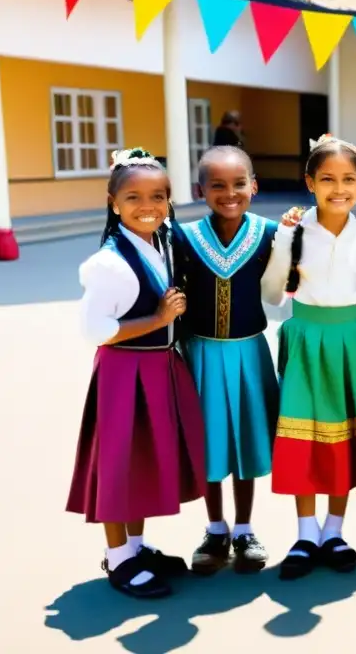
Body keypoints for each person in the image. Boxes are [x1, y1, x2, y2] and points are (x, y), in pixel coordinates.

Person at [67, 148, 206, 598]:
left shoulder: (160, 241)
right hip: (125, 371)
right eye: (133, 197)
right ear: (113, 202)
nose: (147, 206)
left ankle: (135, 546)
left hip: (156, 367)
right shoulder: (108, 263)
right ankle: (118, 558)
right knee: (118, 463)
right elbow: (97, 330)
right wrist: (157, 319)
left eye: (158, 196)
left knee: (141, 461)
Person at [261, 134, 356, 580]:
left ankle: (334, 529)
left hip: (354, 343)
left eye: (349, 179)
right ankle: (305, 532)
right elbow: (273, 292)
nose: (339, 188)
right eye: (327, 179)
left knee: (344, 434)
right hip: (307, 342)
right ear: (309, 181)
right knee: (305, 436)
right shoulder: (292, 233)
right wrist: (283, 242)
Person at [176, 146, 278, 575]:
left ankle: (244, 529)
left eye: (239, 183)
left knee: (247, 440)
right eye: (217, 185)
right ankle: (215, 527)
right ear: (201, 190)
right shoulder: (182, 237)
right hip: (200, 353)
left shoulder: (272, 233)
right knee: (210, 441)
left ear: (253, 186)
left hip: (249, 352)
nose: (229, 193)